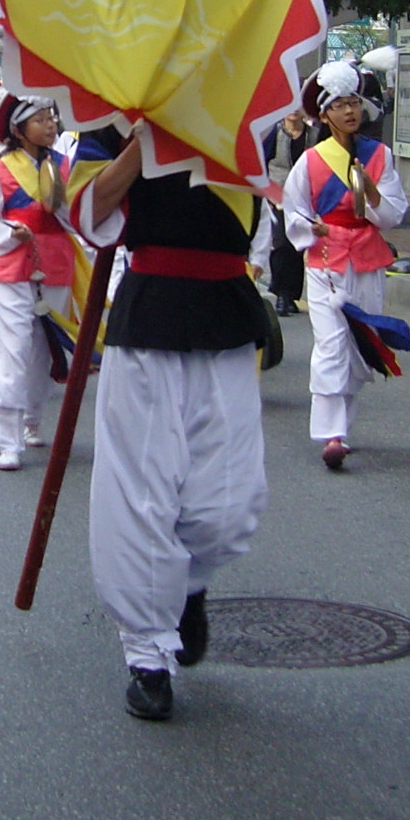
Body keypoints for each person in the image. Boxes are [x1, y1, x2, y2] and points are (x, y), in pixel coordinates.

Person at [70, 119, 270, 722]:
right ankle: (147, 654)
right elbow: (85, 213)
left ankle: (187, 585)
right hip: (150, 314)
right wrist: (141, 144)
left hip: (228, 315)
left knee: (230, 504)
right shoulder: (109, 117)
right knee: (140, 492)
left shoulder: (242, 105)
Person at [283, 62, 409, 471]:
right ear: (324, 114)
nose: (350, 111)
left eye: (353, 102)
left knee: (358, 345)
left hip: (367, 257)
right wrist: (312, 227)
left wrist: (370, 193)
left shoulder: (379, 156)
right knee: (332, 343)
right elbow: (293, 212)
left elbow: (392, 215)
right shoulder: (310, 161)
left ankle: (343, 427)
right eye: (339, 105)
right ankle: (331, 434)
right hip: (327, 259)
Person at [0, 92, 73, 470]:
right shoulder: (0, 170)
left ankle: (33, 418)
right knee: (15, 349)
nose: (49, 125)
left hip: (55, 264)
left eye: (51, 118)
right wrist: (9, 232)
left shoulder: (64, 165)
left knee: (46, 350)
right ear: (19, 130)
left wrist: (61, 207)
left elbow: (80, 219)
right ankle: (8, 440)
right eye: (40, 120)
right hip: (12, 268)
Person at [261, 103, 316, 314]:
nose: (294, 110)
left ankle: (292, 294)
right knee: (281, 243)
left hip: (303, 197)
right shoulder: (274, 133)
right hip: (278, 196)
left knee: (297, 244)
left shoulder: (313, 135)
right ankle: (281, 294)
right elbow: (263, 163)